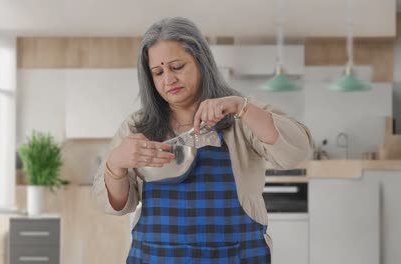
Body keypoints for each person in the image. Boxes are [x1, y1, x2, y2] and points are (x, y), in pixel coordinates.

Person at [93, 17, 312, 263]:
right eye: (158, 72)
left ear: (201, 62)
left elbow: (297, 151)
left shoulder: (240, 115)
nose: (168, 80)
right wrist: (116, 164)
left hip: (237, 256)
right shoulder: (136, 127)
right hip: (155, 257)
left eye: (177, 67)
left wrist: (242, 107)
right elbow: (117, 205)